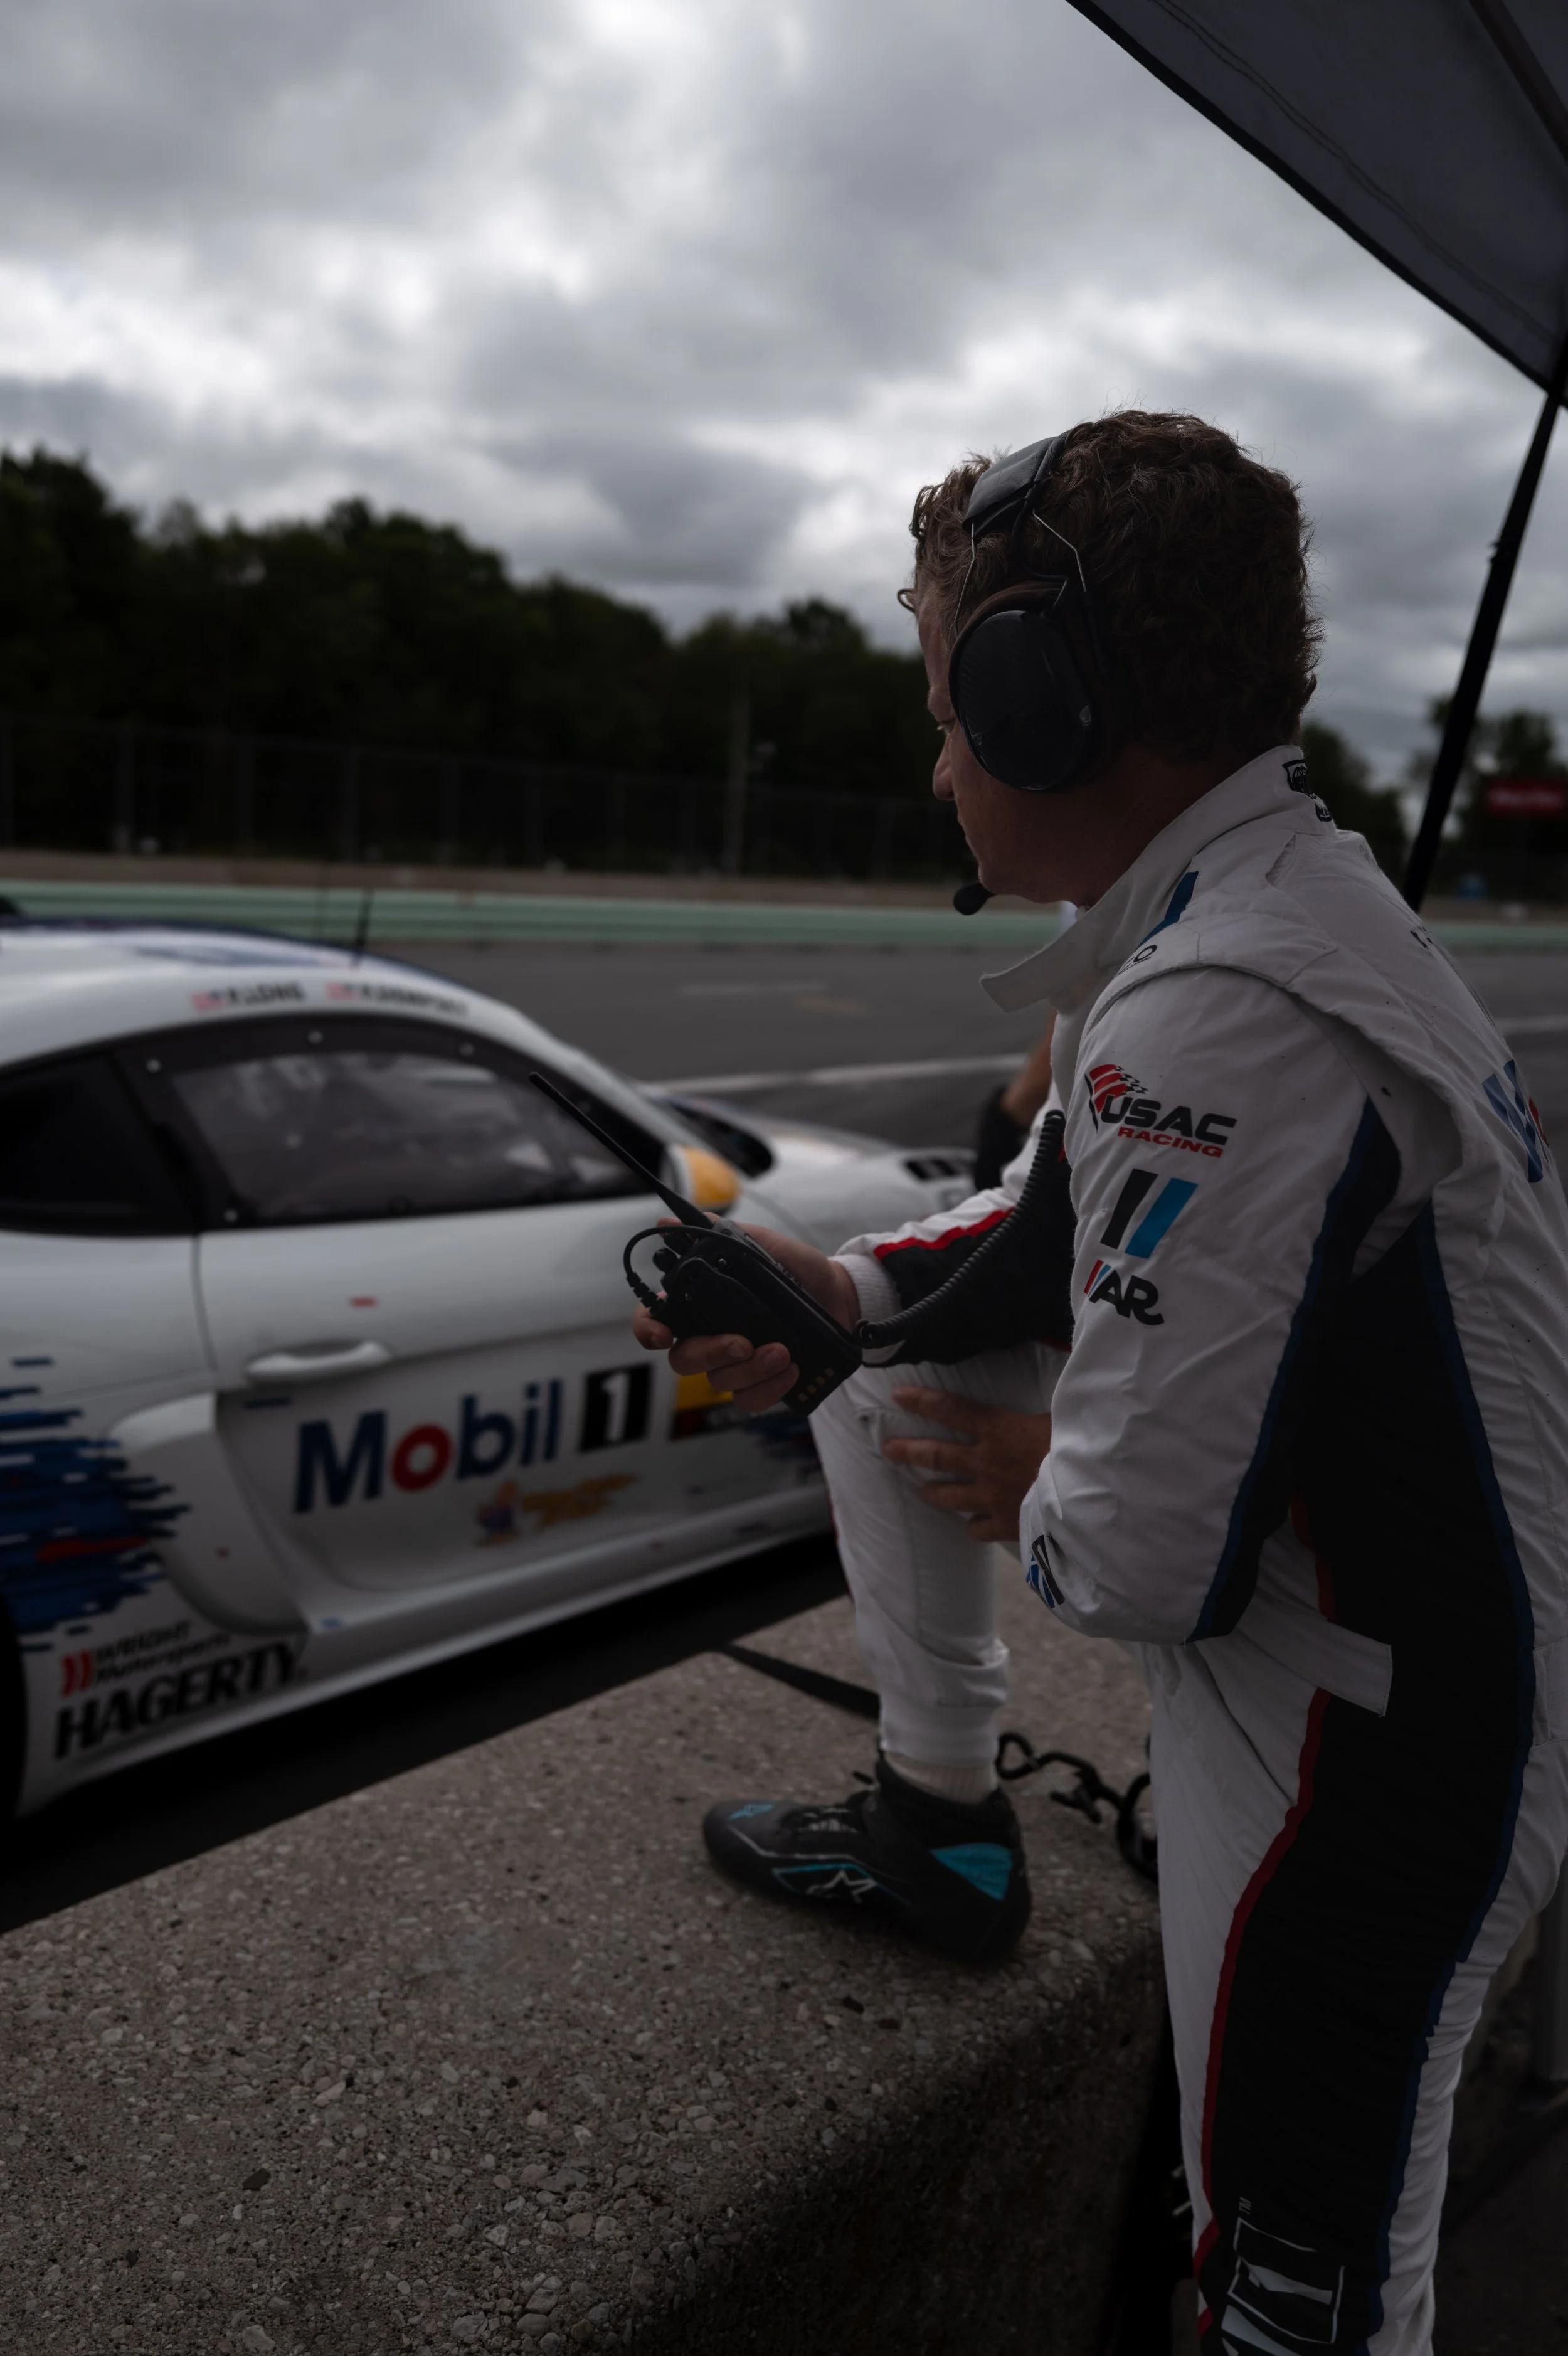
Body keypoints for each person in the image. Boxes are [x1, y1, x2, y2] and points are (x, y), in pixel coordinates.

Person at [633, 410, 1568, 2353]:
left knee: (1295, 2276)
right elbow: (1044, 1223)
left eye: (945, 709)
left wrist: (1029, 1471)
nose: (937, 762)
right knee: (874, 1338)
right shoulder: (1267, 905)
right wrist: (837, 1292)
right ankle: (935, 1820)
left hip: (1380, 1741)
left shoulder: (1217, 1003)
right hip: (1409, 1663)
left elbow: (1137, 1559)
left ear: (1037, 700)